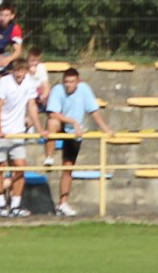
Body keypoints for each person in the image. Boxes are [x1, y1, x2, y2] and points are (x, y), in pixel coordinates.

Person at [43, 68, 114, 217]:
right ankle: (49, 157)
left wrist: (106, 129)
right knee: (52, 123)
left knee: (68, 168)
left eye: (71, 82)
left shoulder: (84, 90)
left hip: (74, 132)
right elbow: (53, 113)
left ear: (78, 81)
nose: (68, 85)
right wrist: (72, 121)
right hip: (62, 125)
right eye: (66, 82)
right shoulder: (57, 90)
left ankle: (63, 204)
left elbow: (94, 111)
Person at [0, 59, 44, 217]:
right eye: (17, 71)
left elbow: (32, 106)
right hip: (2, 131)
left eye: (22, 71)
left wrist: (40, 129)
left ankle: (15, 205)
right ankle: (1, 204)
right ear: (13, 71)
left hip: (18, 131)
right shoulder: (4, 82)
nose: (19, 74)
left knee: (20, 168)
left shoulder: (30, 82)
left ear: (26, 71)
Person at [26, 48, 50, 113]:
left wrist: (43, 96)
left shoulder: (41, 67)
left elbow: (46, 86)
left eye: (37, 60)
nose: (35, 63)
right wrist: (30, 73)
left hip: (38, 95)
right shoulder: (23, 68)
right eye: (32, 61)